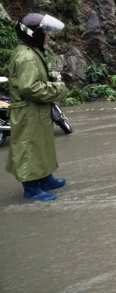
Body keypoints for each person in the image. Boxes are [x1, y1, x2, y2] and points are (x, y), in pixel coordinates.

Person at [6, 12, 69, 201]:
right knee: (29, 148)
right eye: (45, 32)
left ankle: (46, 178)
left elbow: (31, 80)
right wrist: (57, 88)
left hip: (35, 111)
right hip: (28, 112)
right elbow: (29, 87)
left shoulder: (30, 51)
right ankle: (31, 189)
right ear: (33, 34)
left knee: (41, 145)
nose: (48, 36)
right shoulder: (27, 57)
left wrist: (48, 79)